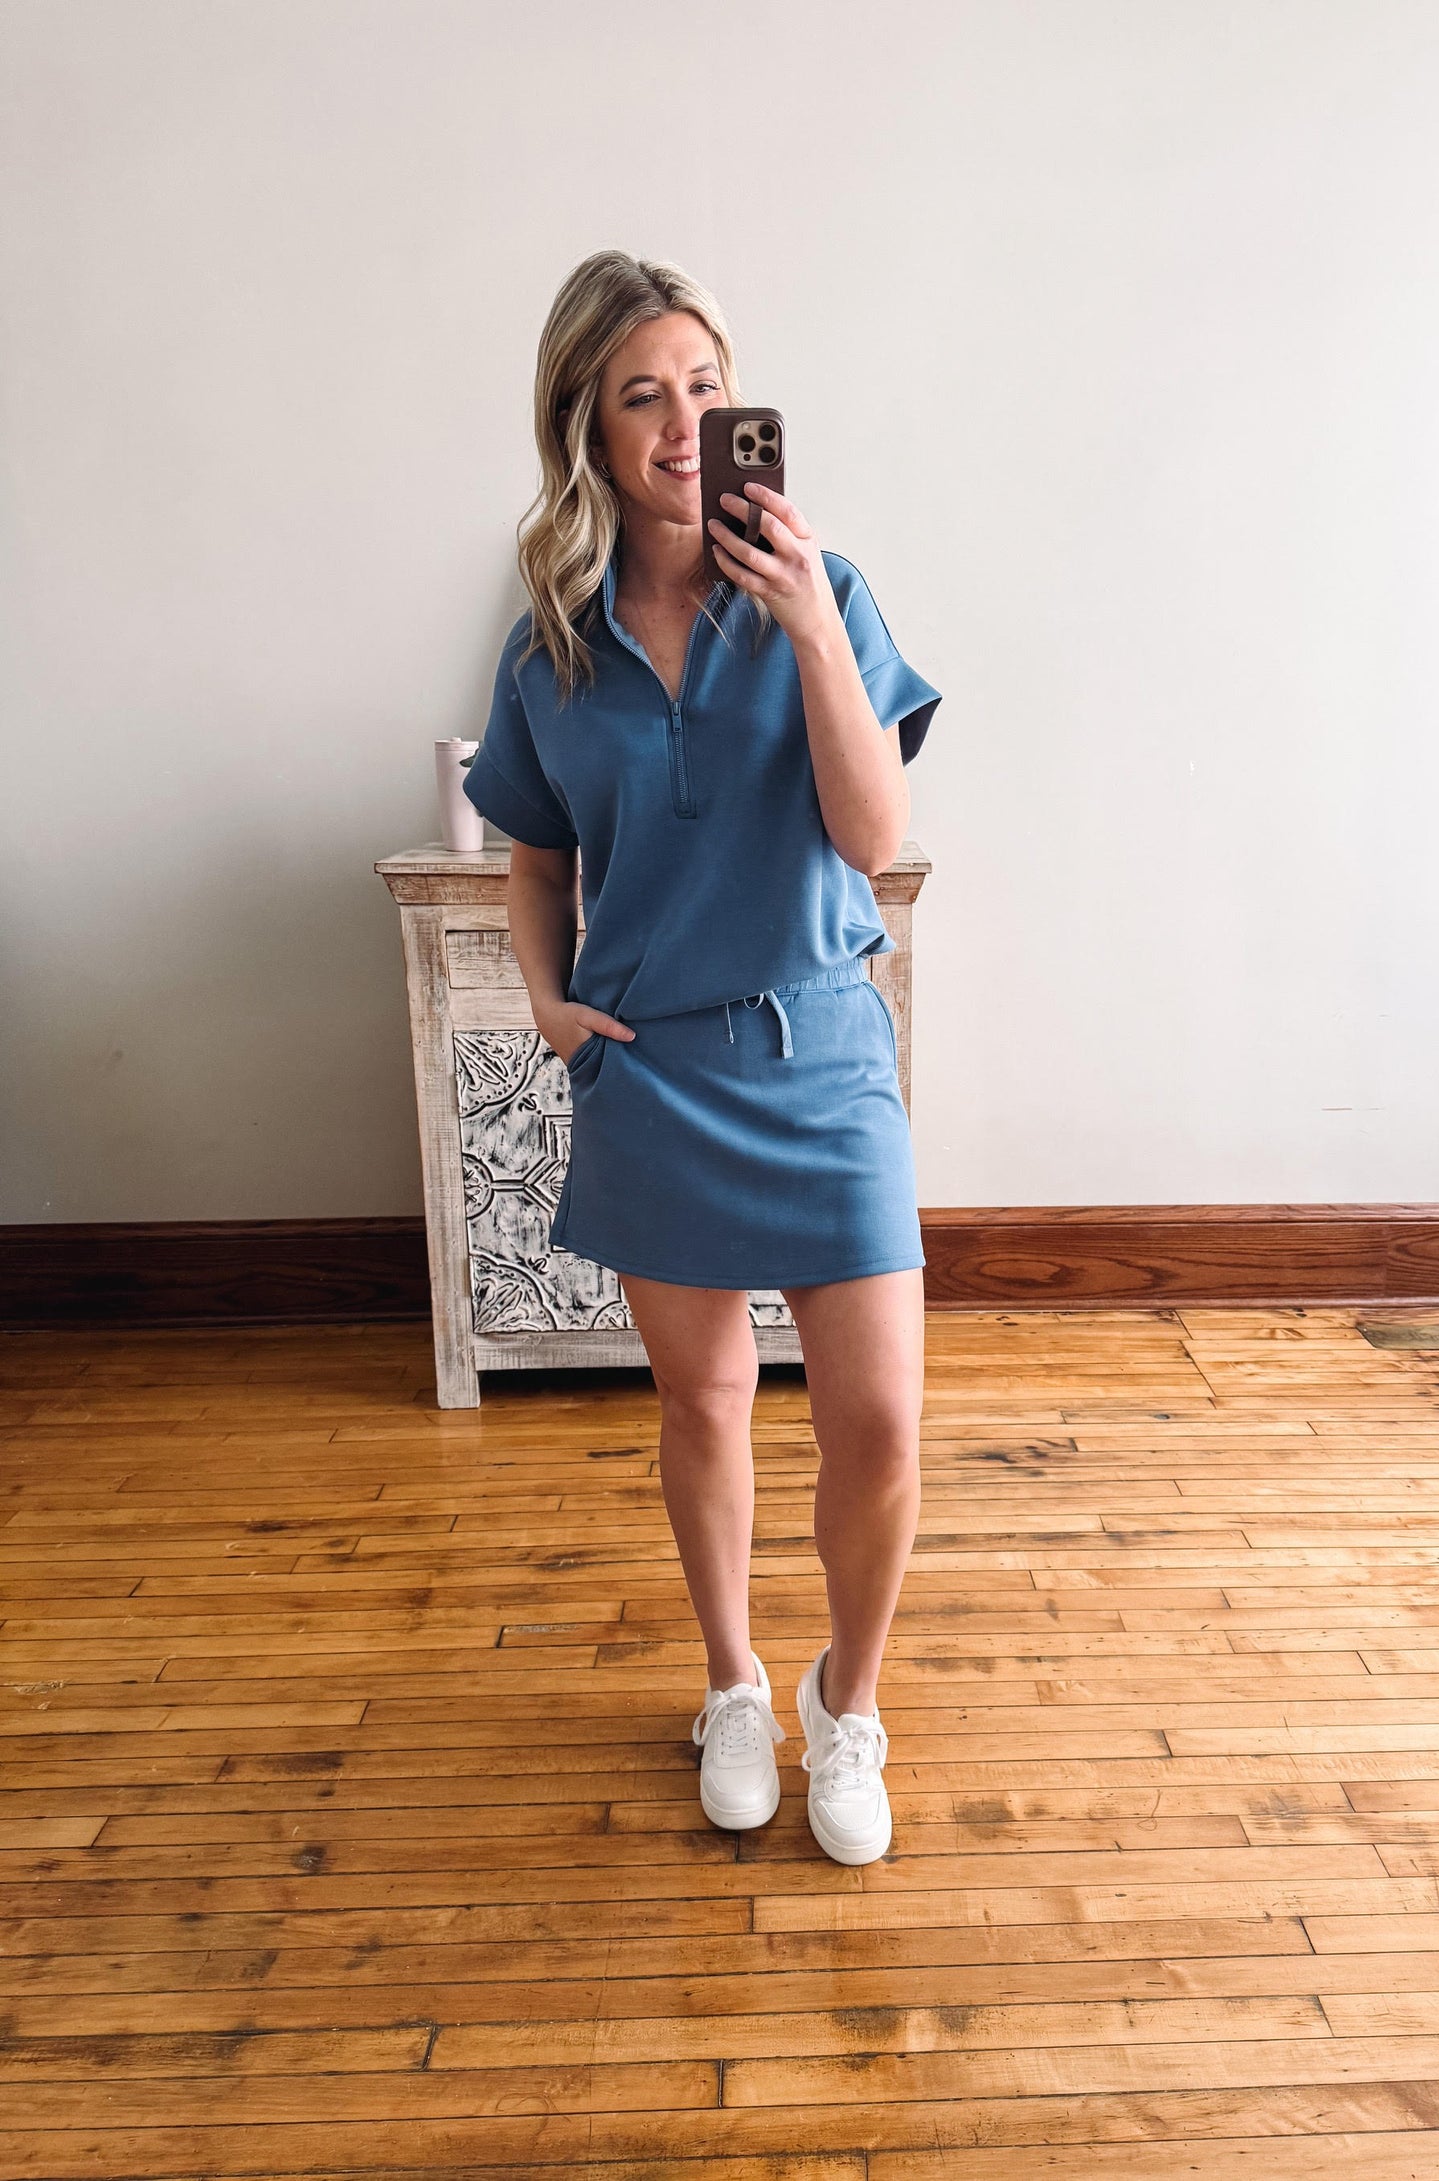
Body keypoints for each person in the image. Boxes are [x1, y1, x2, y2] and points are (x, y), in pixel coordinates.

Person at [463, 250, 942, 1866]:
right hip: (655, 1071)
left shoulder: (828, 588)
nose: (683, 424)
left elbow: (873, 838)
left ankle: (844, 1701)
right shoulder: (549, 647)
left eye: (705, 387)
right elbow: (533, 857)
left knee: (877, 1422)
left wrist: (806, 625)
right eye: (642, 396)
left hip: (819, 1052)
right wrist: (548, 1000)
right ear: (587, 432)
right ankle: (733, 1681)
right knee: (706, 1398)